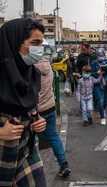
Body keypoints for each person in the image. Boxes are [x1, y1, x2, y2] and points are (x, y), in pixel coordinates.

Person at [0, 18, 47, 186]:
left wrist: (38, 121)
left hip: (26, 152)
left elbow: (31, 108)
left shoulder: (33, 74)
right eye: (34, 43)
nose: (39, 50)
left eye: (41, 44)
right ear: (13, 43)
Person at [35, 57, 71, 177]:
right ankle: (64, 164)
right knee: (53, 136)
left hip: (36, 111)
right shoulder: (47, 65)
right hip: (50, 107)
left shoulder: (30, 67)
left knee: (28, 140)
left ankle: (33, 172)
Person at [91, 48, 107, 125]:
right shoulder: (94, 63)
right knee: (100, 100)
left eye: (102, 55)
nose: (101, 57)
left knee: (106, 101)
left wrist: (106, 79)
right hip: (97, 84)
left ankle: (102, 110)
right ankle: (102, 117)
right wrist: (98, 73)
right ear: (97, 55)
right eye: (100, 55)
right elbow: (92, 73)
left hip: (106, 84)